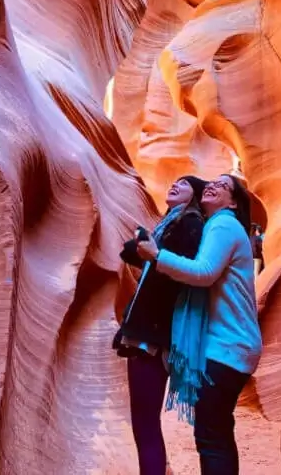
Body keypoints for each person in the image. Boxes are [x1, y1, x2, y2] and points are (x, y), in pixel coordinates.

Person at [137, 174, 262, 475]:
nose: (213, 185)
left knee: (211, 435)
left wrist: (157, 256)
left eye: (224, 185)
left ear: (233, 202)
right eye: (212, 182)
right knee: (216, 430)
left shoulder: (223, 223)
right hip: (233, 345)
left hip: (228, 346)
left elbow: (204, 271)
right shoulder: (218, 226)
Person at [113, 175, 207, 475]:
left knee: (145, 423)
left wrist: (154, 252)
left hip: (153, 332)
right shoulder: (169, 224)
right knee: (144, 422)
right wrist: (145, 246)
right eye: (173, 181)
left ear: (195, 195)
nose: (175, 184)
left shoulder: (190, 223)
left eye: (185, 183)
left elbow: (181, 270)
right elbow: (132, 254)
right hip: (148, 328)